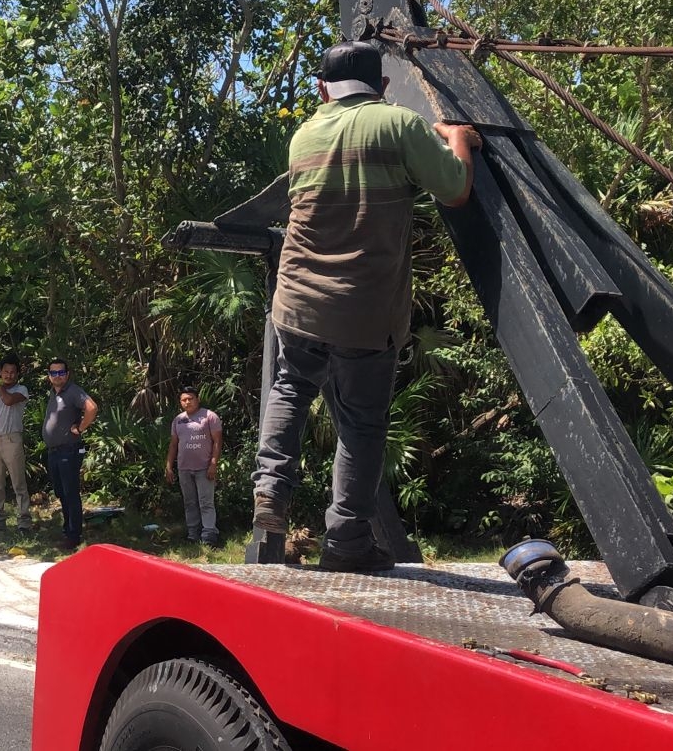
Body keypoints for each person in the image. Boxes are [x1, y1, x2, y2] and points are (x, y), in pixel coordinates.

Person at [252, 40, 481, 572]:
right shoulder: (397, 124)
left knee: (290, 387)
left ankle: (271, 491)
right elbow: (455, 189)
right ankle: (347, 543)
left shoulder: (304, 133)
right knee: (361, 425)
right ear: (382, 87)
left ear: (321, 89)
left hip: (298, 300)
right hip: (365, 310)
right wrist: (457, 138)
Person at [43, 358, 98, 550]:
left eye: (60, 372)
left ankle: (73, 535)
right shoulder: (54, 393)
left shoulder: (73, 391)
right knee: (61, 492)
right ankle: (68, 529)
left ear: (67, 374)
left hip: (69, 450)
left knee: (70, 493)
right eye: (53, 373)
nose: (57, 376)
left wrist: (81, 428)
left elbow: (91, 408)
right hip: (54, 451)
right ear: (49, 376)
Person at [164, 386, 222, 545]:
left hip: (204, 468)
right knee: (189, 502)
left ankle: (209, 533)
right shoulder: (178, 420)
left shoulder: (209, 417)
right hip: (184, 468)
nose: (187, 402)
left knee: (206, 502)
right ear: (180, 402)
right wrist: (169, 466)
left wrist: (213, 464)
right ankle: (192, 533)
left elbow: (217, 442)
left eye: (191, 398)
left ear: (197, 399)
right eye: (184, 399)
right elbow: (174, 445)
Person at [0, 355, 31, 532]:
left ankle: (24, 521)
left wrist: (1, 389)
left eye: (12, 372)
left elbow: (9, 401)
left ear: (17, 374)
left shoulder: (21, 390)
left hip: (12, 440)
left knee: (19, 483)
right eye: (5, 372)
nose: (9, 375)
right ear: (0, 372)